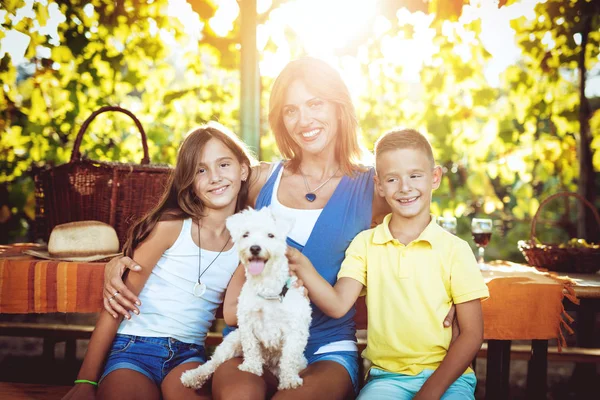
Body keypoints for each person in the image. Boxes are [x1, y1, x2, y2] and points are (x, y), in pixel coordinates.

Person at [103, 58, 457, 399]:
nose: (304, 120)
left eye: (315, 103)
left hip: (325, 348)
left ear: (338, 107)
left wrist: (446, 285)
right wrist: (123, 256)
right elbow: (194, 201)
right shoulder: (260, 180)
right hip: (251, 340)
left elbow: (416, 217)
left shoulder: (371, 187)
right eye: (291, 110)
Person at [289, 128, 489, 400]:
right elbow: (337, 305)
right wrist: (301, 264)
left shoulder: (456, 250)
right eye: (392, 179)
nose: (405, 187)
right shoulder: (365, 244)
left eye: (415, 175)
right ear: (379, 186)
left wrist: (430, 392)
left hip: (449, 379)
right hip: (387, 379)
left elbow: (472, 334)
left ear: (435, 177)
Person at [62, 122, 254, 400]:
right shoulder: (171, 228)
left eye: (224, 165)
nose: (214, 177)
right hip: (132, 351)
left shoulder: (245, 244)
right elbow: (116, 306)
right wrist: (85, 382)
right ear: (188, 180)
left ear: (243, 170)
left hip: (189, 357)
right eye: (201, 170)